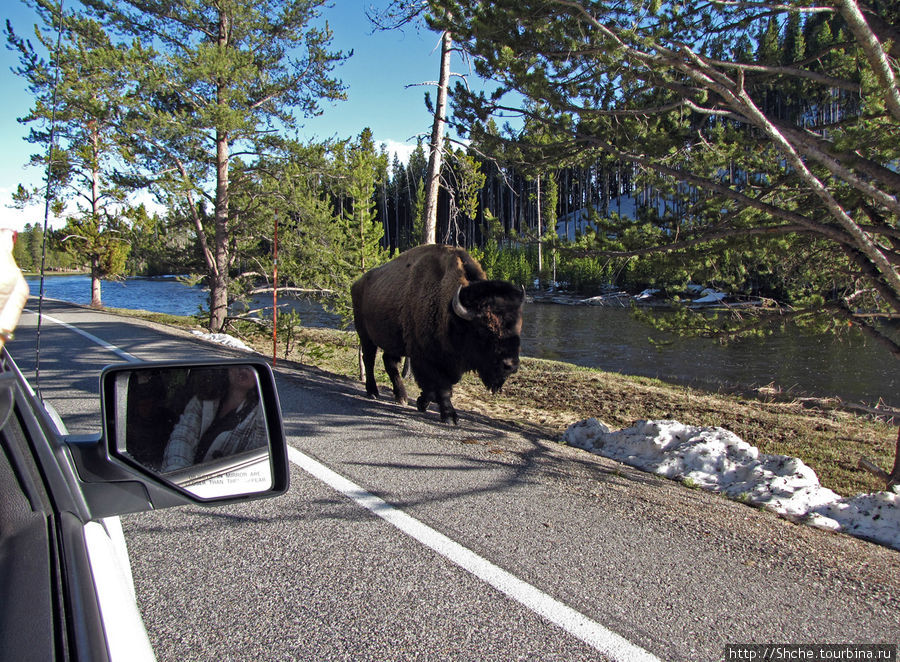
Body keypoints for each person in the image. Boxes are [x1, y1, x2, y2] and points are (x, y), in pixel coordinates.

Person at [161, 365, 267, 473]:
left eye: (250, 367)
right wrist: (178, 474)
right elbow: (182, 438)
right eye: (238, 364)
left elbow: (258, 453)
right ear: (227, 368)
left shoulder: (261, 418)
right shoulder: (202, 402)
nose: (243, 369)